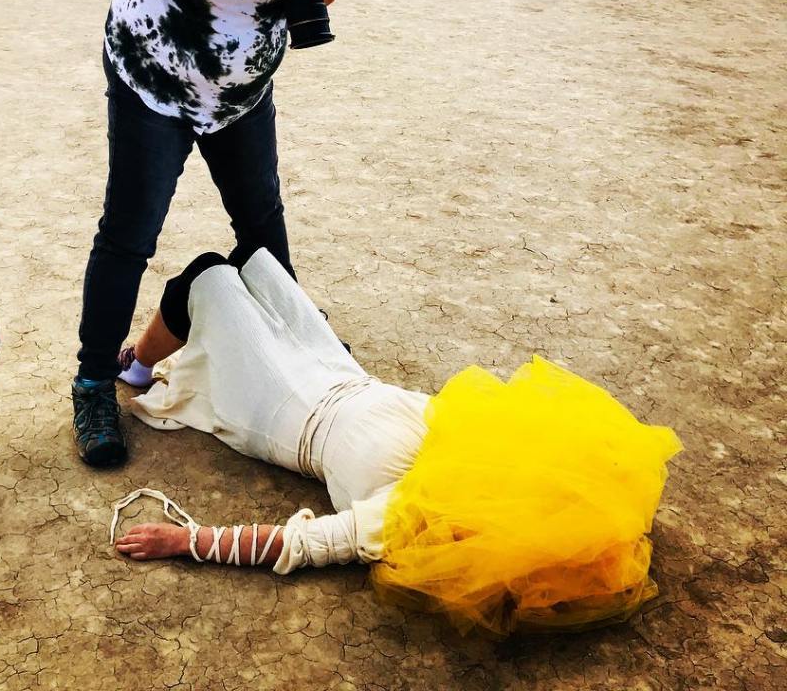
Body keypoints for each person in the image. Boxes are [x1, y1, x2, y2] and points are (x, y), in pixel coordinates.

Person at [109, 249, 683, 637]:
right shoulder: (477, 437)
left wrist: (185, 541)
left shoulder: (410, 517)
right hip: (338, 371)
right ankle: (148, 355)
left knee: (207, 276)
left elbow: (299, 544)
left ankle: (135, 363)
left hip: (282, 409)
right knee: (253, 261)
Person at [72, 0, 359, 467]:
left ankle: (300, 351)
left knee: (262, 224)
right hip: (155, 79)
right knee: (129, 235)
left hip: (242, 92)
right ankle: (93, 383)